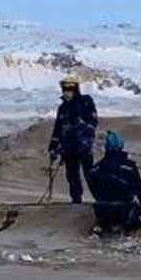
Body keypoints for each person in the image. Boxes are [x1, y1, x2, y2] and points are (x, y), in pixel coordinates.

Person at [86, 131, 141, 234]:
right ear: (121, 146)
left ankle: (103, 224)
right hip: (123, 210)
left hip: (101, 209)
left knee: (106, 211)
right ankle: (129, 225)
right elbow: (140, 190)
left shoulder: (95, 168)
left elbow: (94, 191)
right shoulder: (130, 167)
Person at [48, 73, 98, 203]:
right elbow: (57, 129)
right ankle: (76, 201)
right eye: (64, 90)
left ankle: (101, 199)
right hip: (68, 149)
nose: (66, 93)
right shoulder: (62, 108)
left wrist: (82, 127)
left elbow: (93, 122)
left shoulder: (86, 102)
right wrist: (53, 147)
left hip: (84, 147)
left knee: (90, 175)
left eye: (69, 90)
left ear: (75, 90)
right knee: (72, 176)